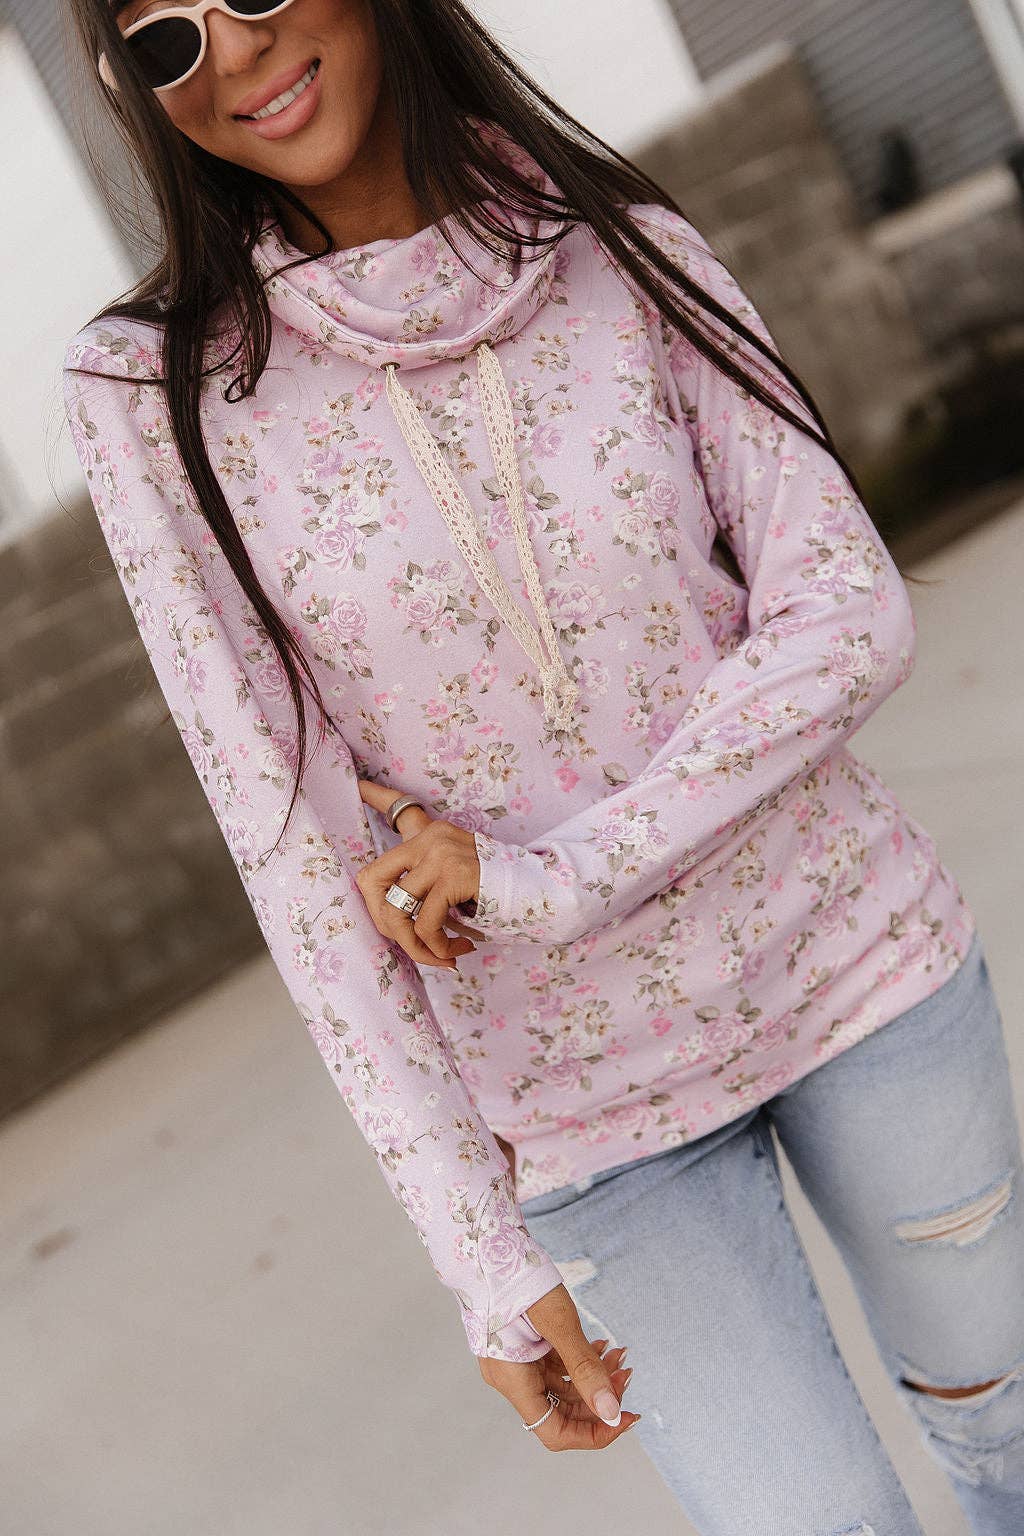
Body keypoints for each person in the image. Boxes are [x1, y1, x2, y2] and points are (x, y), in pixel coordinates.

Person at [61, 2, 1024, 1530]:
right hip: (580, 1115)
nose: (233, 53)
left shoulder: (613, 240)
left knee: (1008, 1437)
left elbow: (847, 611)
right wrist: (481, 1257)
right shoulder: (156, 394)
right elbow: (296, 854)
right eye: (163, 38)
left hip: (857, 966)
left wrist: (552, 876)